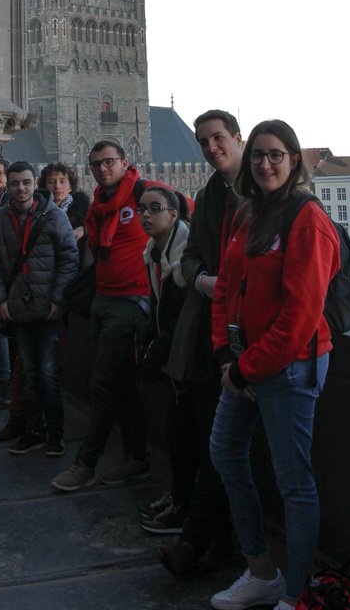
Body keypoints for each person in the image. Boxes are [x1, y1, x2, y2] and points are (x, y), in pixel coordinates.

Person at [209, 119, 340, 610]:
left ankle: (297, 593)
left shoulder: (306, 219)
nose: (265, 164)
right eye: (260, 155)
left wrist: (244, 369)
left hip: (289, 368)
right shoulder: (250, 214)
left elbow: (301, 317)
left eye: (276, 155)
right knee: (224, 452)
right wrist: (226, 353)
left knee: (294, 482)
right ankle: (261, 570)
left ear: (294, 159)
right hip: (245, 364)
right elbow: (225, 288)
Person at [159, 110, 242, 576]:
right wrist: (203, 279)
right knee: (220, 442)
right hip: (218, 335)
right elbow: (190, 258)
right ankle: (217, 544)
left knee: (227, 445)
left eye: (218, 139)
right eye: (203, 142)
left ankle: (201, 542)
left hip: (258, 341)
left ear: (236, 136)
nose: (211, 148)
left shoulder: (268, 193)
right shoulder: (210, 196)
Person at [51, 140, 150, 493]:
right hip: (104, 301)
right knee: (122, 387)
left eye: (109, 162)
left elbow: (185, 213)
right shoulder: (98, 207)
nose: (102, 168)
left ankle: (86, 462)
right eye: (95, 164)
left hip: (132, 305)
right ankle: (137, 457)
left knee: (104, 384)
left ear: (125, 162)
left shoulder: (146, 193)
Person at [0, 161, 78, 457]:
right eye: (14, 183)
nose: (20, 188)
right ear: (7, 187)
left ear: (35, 183)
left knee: (47, 372)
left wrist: (59, 299)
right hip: (18, 308)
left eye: (25, 182)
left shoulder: (54, 216)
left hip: (48, 308)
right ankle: (33, 430)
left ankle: (55, 433)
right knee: (30, 370)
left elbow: (69, 259)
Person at [137, 183, 193, 535]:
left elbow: (181, 314)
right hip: (174, 353)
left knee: (187, 434)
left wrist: (157, 348)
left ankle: (186, 507)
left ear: (173, 215)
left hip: (190, 357)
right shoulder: (154, 250)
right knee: (177, 431)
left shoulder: (182, 254)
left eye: (154, 208)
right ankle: (178, 495)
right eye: (142, 208)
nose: (146, 214)